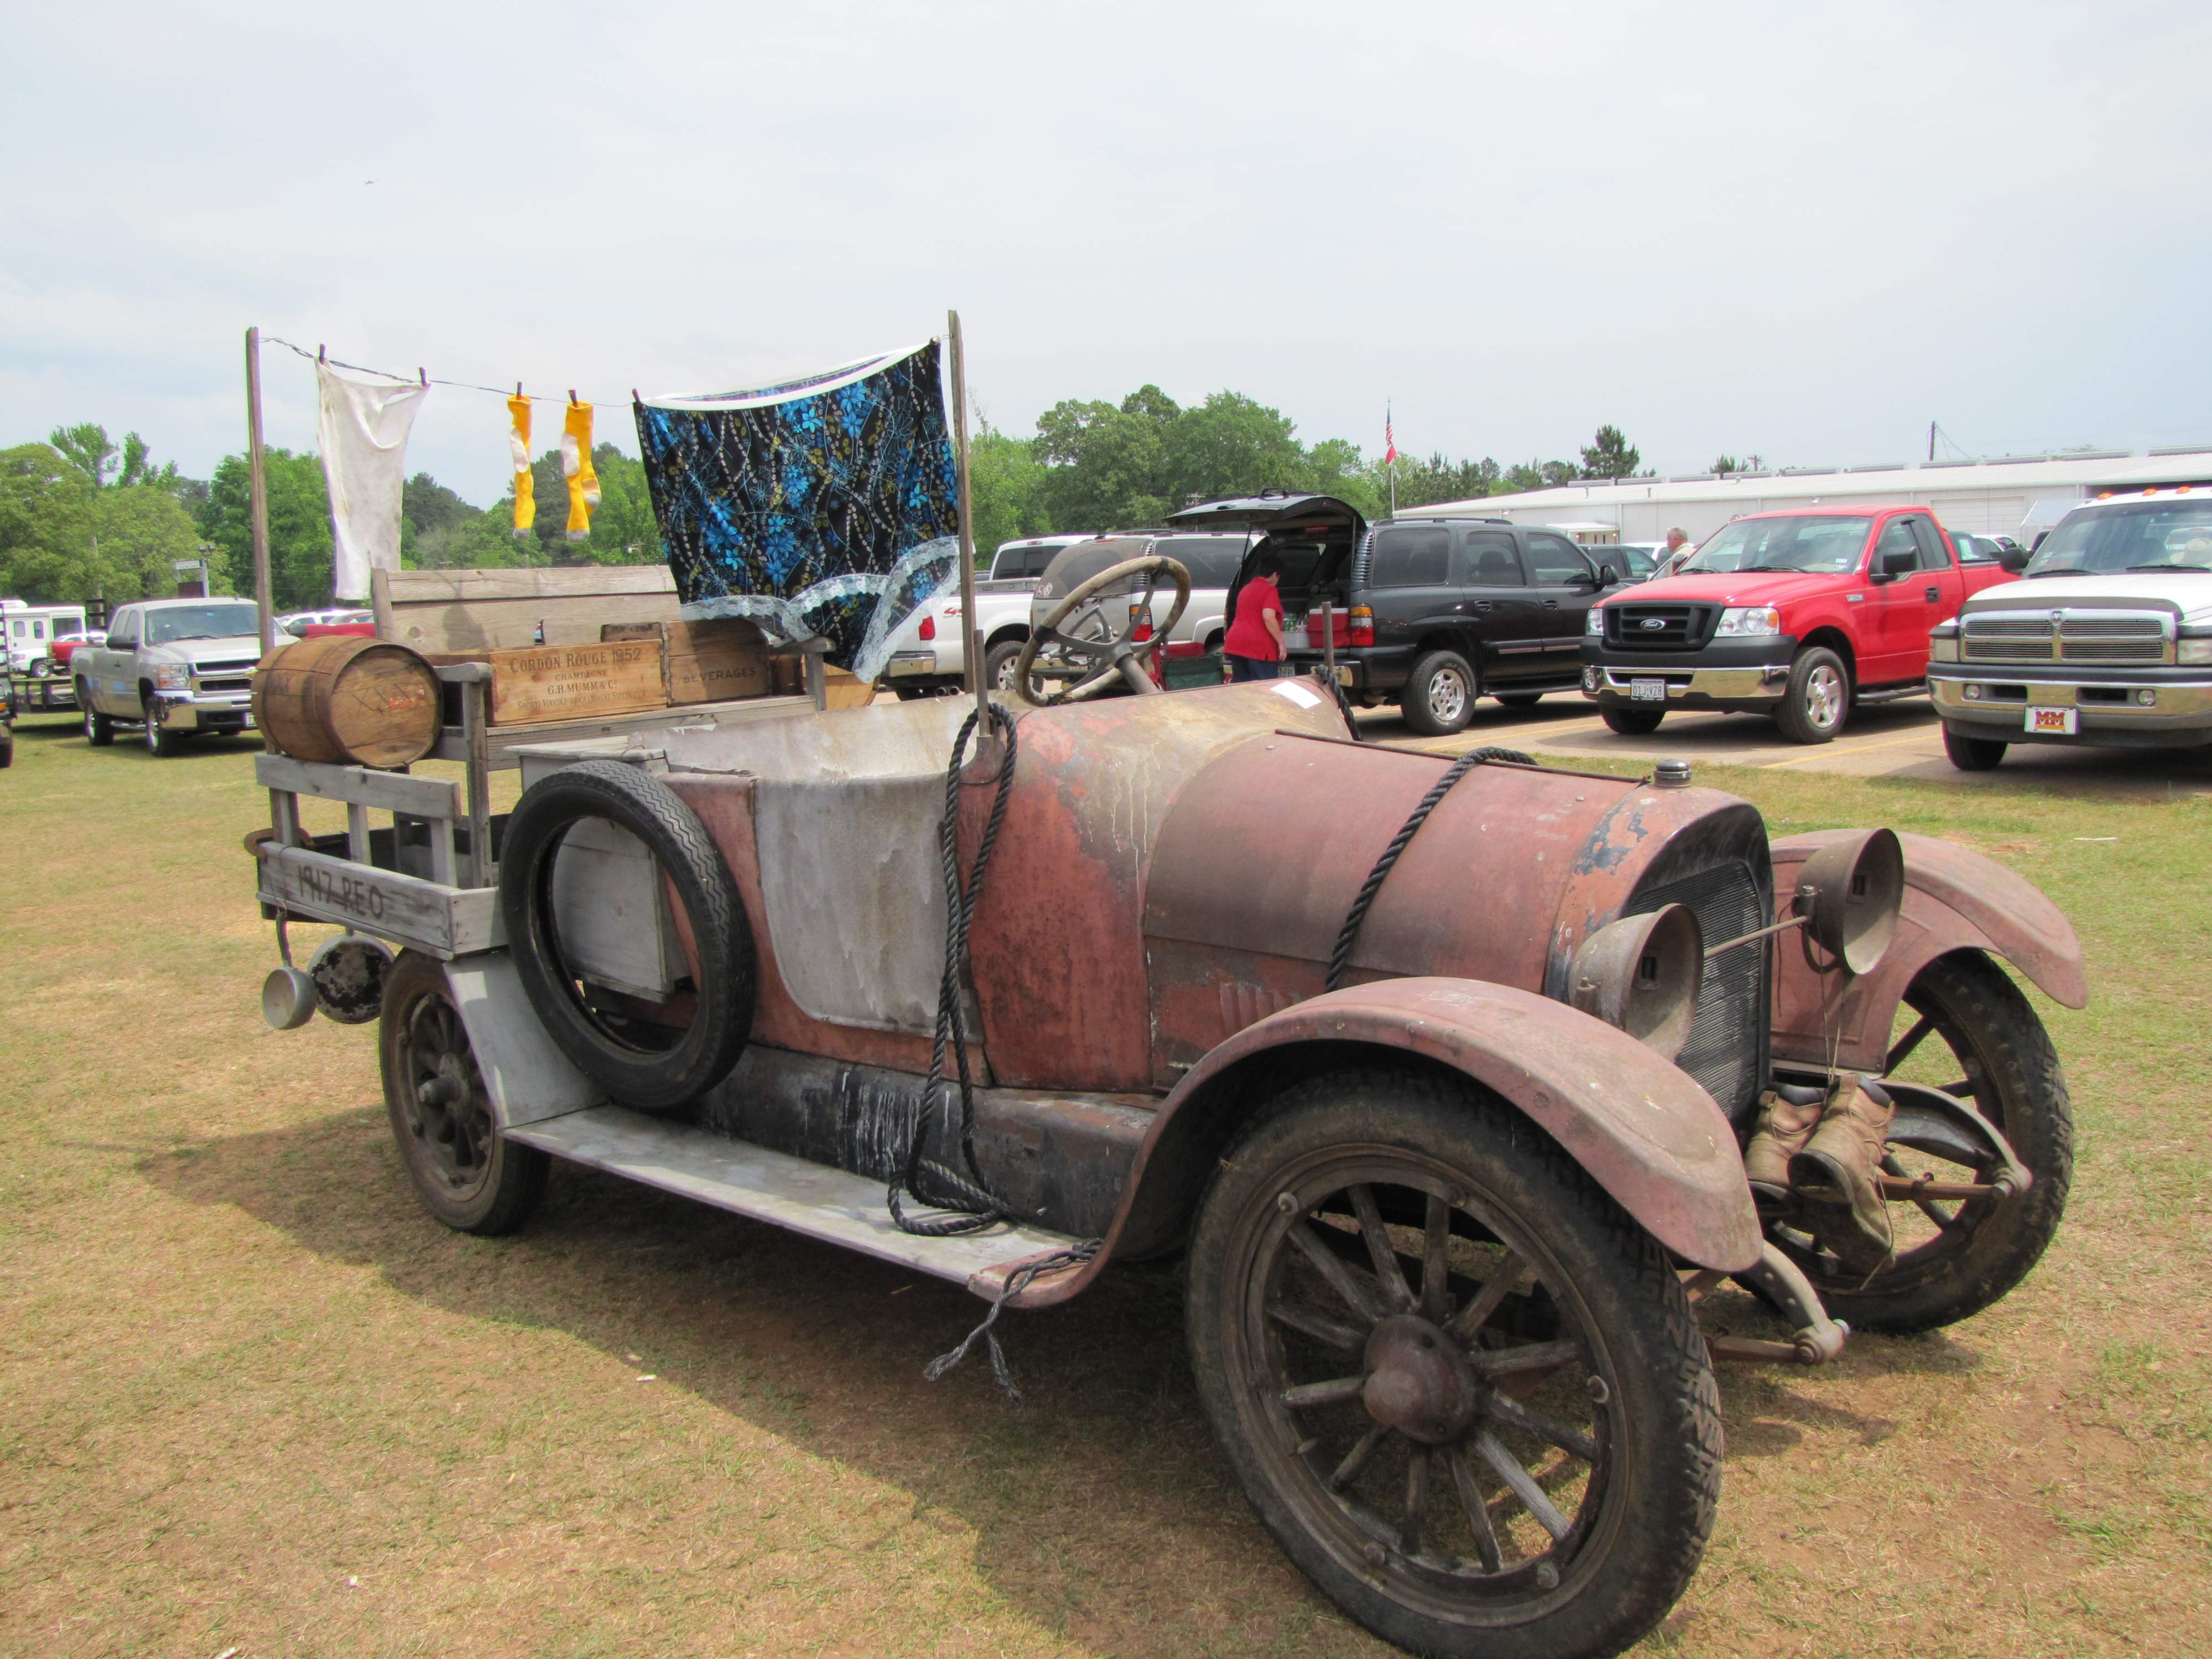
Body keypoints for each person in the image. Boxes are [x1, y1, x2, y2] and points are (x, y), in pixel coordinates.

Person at [1222, 548, 1286, 680]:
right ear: (1275, 575)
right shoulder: (1270, 591)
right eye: (1279, 577)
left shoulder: (1245, 589)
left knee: (1242, 686)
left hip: (1236, 643)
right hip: (1259, 647)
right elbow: (1268, 617)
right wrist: (1281, 643)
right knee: (1264, 687)